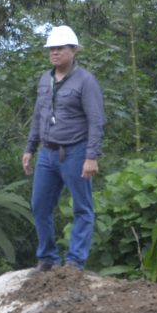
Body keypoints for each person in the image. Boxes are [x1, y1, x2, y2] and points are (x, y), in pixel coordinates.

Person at [23, 24, 106, 272]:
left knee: (82, 207)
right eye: (51, 49)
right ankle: (48, 258)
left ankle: (74, 262)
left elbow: (96, 120)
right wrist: (30, 148)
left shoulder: (86, 81)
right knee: (40, 205)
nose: (54, 53)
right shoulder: (45, 79)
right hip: (47, 153)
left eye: (60, 48)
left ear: (73, 50)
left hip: (75, 152)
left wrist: (91, 156)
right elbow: (38, 115)